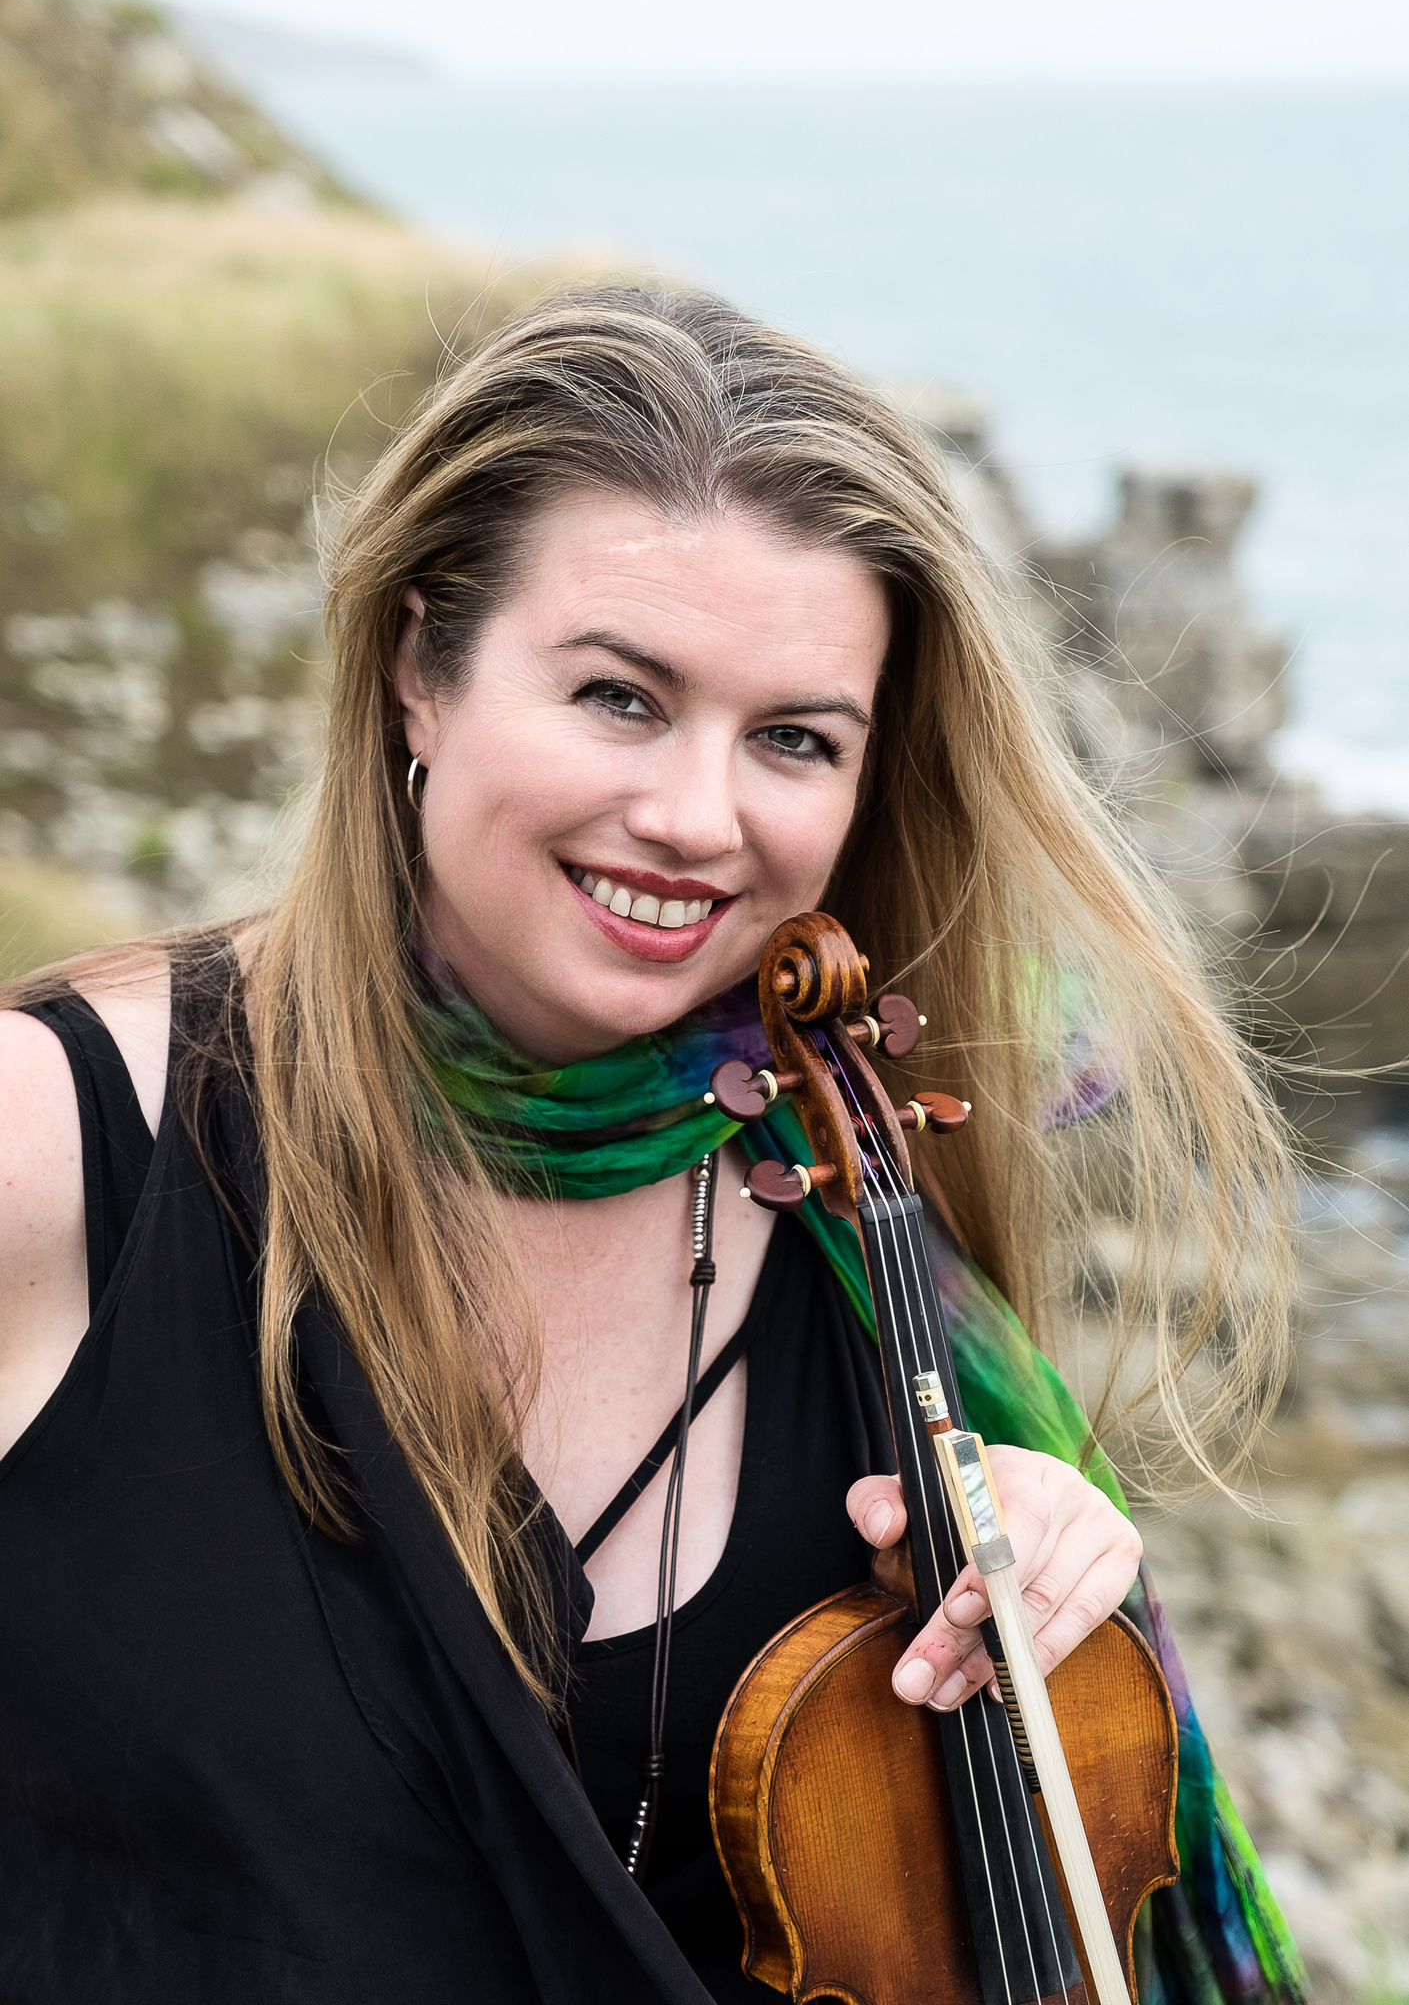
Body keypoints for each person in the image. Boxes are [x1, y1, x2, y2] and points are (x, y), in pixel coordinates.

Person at [0, 288, 1306, 2004]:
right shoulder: (64, 1142)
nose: (698, 819)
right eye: (619, 697)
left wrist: (1052, 1625)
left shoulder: (868, 1259)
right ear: (418, 670)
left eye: (792, 739)